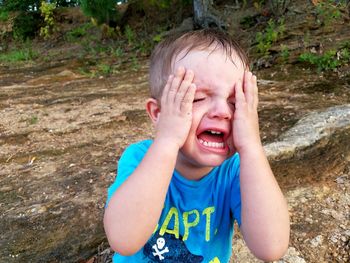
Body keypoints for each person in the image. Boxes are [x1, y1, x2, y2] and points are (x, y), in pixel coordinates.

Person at [104, 29, 290, 263]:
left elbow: (271, 247)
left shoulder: (234, 171)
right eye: (197, 98)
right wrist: (167, 141)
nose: (222, 112)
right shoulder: (139, 158)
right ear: (158, 113)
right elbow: (123, 239)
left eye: (235, 103)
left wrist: (251, 147)